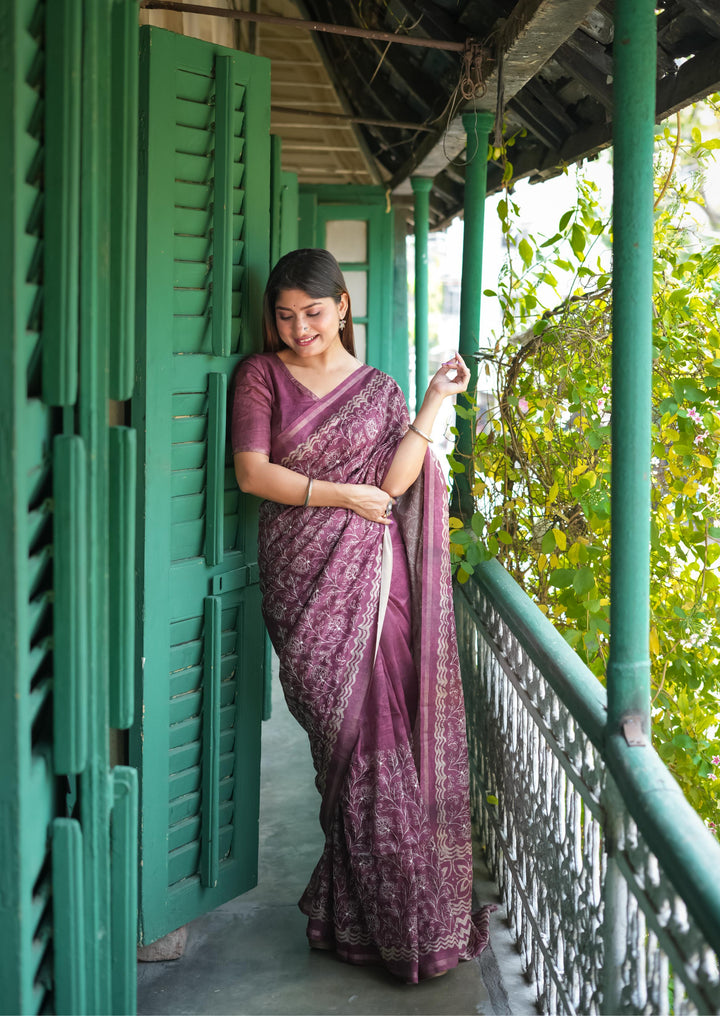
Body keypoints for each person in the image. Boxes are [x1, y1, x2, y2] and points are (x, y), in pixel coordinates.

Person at [231, 248, 493, 984]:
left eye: (312, 313)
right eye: (284, 315)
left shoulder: (378, 390)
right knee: (339, 748)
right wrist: (339, 496)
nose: (298, 328)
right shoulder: (261, 377)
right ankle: (365, 911)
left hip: (379, 588)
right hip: (303, 581)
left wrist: (437, 399)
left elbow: (395, 479)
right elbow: (253, 474)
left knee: (379, 748)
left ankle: (385, 919)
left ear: (342, 306)